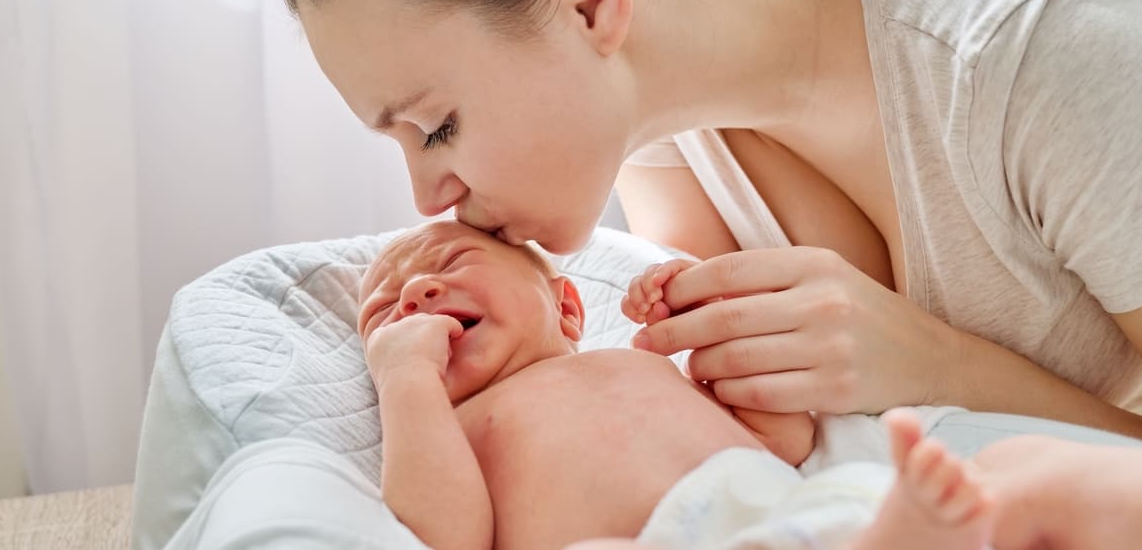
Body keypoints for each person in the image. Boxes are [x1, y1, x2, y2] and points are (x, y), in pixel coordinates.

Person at [279, 0, 1142, 437]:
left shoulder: (1039, 43)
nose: (429, 195)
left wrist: (935, 365)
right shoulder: (655, 113)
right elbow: (751, 447)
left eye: (438, 127)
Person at [360, 220, 1142, 550]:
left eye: (449, 266)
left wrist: (713, 319)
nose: (418, 294)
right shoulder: (450, 425)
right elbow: (446, 532)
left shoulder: (635, 361)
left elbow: (787, 439)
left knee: (1019, 471)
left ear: (567, 307)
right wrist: (406, 380)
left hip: (804, 512)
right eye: (387, 309)